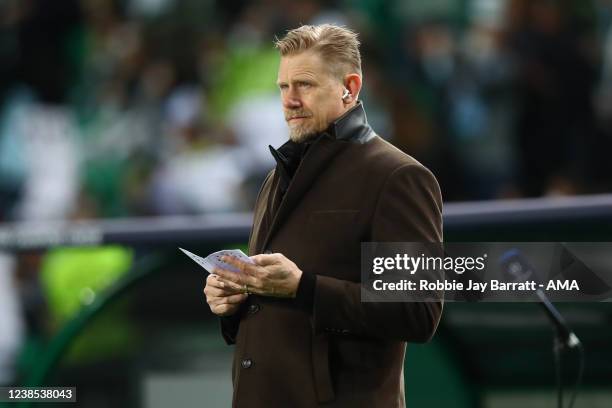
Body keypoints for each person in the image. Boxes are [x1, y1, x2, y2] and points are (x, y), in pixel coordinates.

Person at [203, 24, 443, 407]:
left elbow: (416, 310)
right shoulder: (275, 175)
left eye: (305, 85)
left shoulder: (397, 176)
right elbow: (273, 305)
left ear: (350, 87)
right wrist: (233, 301)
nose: (289, 100)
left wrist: (303, 287)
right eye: (283, 87)